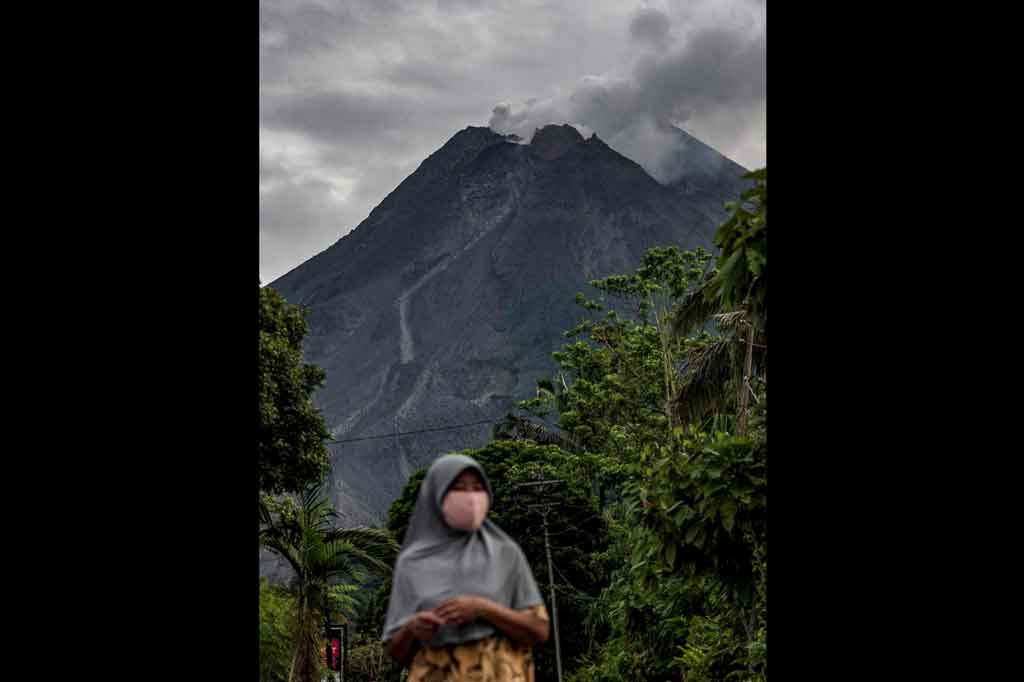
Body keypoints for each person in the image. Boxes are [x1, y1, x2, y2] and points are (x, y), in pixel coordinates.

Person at [382, 453, 550, 681]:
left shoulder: (505, 553)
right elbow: (395, 653)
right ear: (436, 496)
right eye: (459, 488)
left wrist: (483, 609)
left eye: (477, 487)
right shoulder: (411, 563)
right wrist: (412, 629)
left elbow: (539, 630)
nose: (470, 497)